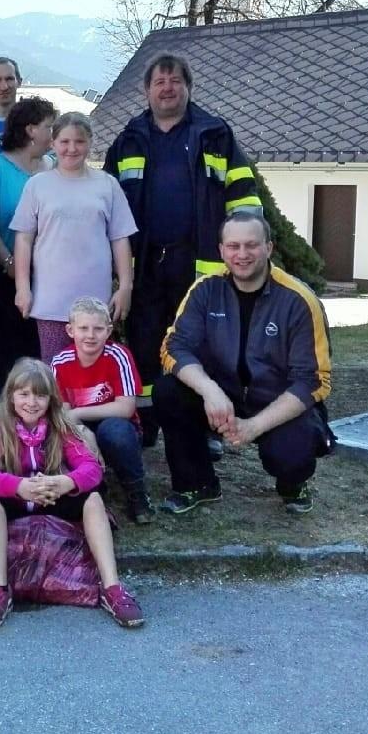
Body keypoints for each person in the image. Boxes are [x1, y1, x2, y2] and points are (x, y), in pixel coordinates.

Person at [102, 53, 263, 446]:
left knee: (198, 345)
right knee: (143, 341)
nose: (167, 88)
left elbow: (243, 198)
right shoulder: (128, 140)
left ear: (188, 87)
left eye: (175, 81)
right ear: (147, 90)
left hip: (199, 263)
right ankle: (147, 423)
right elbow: (104, 202)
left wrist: (243, 254)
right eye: (159, 82)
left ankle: (203, 426)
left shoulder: (214, 134)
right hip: (145, 264)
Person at [155, 212, 333, 515]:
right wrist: (209, 390)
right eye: (233, 246)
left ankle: (293, 484)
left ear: (269, 248)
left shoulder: (299, 300)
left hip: (277, 400)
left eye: (251, 245)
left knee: (292, 453)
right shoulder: (204, 290)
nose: (242, 254)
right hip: (223, 396)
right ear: (222, 250)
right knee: (168, 391)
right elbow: (174, 347)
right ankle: (197, 483)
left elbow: (314, 380)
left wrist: (254, 426)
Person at [0, 359, 144, 631]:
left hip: (52, 493)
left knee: (94, 498)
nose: (31, 402)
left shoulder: (60, 427)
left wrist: (64, 482)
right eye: (24, 394)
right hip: (16, 496)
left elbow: (91, 469)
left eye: (40, 395)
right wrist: (18, 486)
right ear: (11, 396)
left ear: (51, 399)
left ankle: (112, 588)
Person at [12, 112, 137, 364]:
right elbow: (24, 239)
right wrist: (22, 288)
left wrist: (125, 286)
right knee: (54, 370)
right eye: (64, 142)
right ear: (53, 143)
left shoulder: (107, 185)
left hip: (96, 303)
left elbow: (120, 238)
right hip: (51, 301)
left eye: (79, 142)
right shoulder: (38, 185)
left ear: (90, 142)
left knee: (94, 372)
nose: (71, 148)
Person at [52, 297, 154, 523]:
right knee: (62, 436)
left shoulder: (119, 355)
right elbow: (62, 413)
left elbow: (126, 408)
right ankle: (95, 488)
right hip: (79, 428)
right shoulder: (60, 362)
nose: (90, 335)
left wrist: (79, 414)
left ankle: (136, 492)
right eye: (83, 328)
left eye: (98, 329)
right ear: (70, 330)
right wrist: (83, 430)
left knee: (113, 431)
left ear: (108, 331)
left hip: (117, 425)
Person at [0, 95, 56, 396]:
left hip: (49, 274)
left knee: (40, 347)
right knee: (10, 348)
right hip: (6, 275)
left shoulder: (52, 166)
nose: (54, 134)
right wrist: (9, 262)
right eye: (49, 127)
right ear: (30, 130)